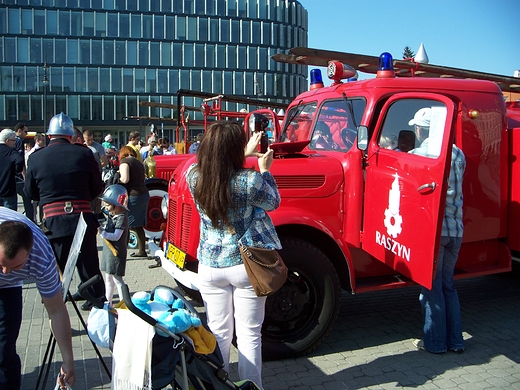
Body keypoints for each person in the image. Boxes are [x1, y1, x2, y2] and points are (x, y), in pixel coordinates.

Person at [186, 121, 281, 389]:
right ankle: (253, 386)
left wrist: (244, 154)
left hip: (209, 265)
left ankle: (219, 384)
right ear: (234, 150)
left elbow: (218, 169)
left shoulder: (194, 176)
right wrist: (264, 170)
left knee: (218, 332)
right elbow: (273, 201)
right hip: (245, 265)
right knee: (250, 333)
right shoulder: (249, 181)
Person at [24, 113, 106, 311]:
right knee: (89, 265)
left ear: (50, 135)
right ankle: (98, 307)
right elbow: (97, 187)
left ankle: (56, 309)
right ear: (70, 135)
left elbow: (30, 192)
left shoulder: (36, 158)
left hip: (53, 222)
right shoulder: (85, 154)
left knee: (56, 271)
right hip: (82, 218)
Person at [410, 108, 467, 354]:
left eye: (417, 127)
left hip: (434, 232)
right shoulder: (458, 153)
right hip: (455, 229)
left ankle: (434, 343)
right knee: (448, 287)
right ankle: (455, 342)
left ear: (423, 129)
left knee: (431, 289)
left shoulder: (419, 154)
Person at [0, 207, 76, 389]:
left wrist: (68, 361)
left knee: (3, 347)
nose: (5, 272)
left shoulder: (42, 257)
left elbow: (56, 310)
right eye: (1, 264)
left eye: (15, 266)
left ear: (29, 253)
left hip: (10, 289)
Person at [97, 185, 129, 307]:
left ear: (117, 205)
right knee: (108, 278)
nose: (105, 207)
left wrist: (103, 233)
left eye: (108, 204)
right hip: (109, 253)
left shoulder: (121, 218)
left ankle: (124, 303)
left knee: (117, 279)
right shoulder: (113, 216)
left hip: (116, 253)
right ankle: (108, 302)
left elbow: (116, 236)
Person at [118, 146, 149, 258]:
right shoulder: (138, 162)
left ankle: (122, 252)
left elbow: (125, 179)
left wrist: (117, 179)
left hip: (133, 195)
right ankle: (141, 250)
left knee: (127, 224)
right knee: (138, 224)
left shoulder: (125, 162)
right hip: (144, 193)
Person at [13, 123, 34, 221]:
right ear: (19, 131)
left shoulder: (11, 141)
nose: (26, 134)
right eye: (25, 131)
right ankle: (30, 220)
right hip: (18, 177)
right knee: (27, 198)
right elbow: (20, 161)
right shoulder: (19, 142)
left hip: (10, 177)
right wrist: (24, 175)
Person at [0, 130, 24, 211]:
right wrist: (16, 171)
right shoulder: (10, 152)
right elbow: (19, 160)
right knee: (9, 220)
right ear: (7, 141)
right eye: (14, 140)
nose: (15, 143)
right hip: (8, 190)